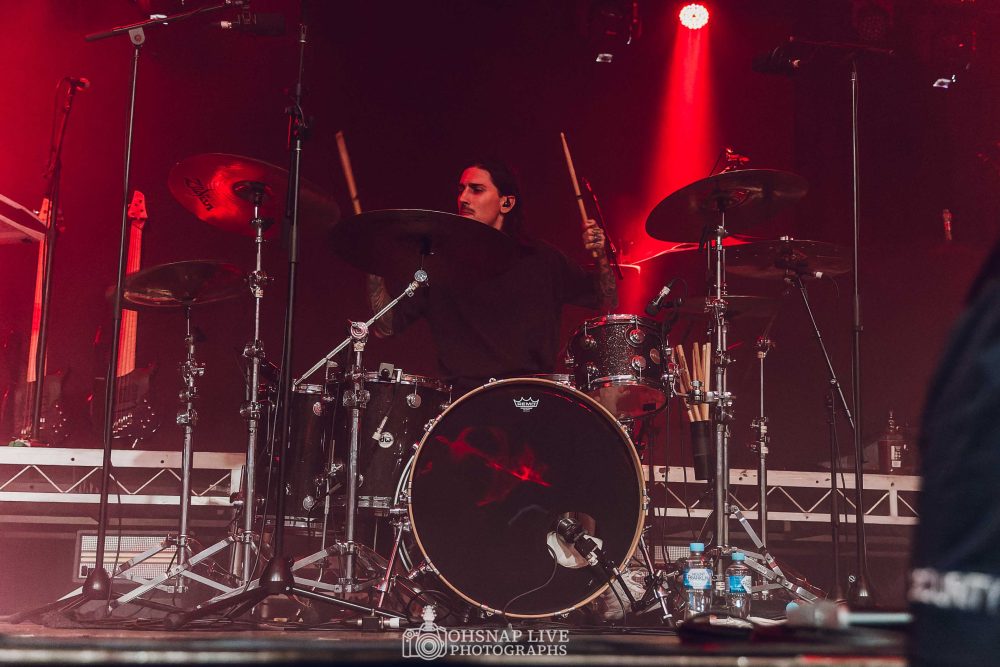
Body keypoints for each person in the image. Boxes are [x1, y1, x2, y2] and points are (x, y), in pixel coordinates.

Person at [365, 159, 617, 397]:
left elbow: (606, 301)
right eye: (461, 190)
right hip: (462, 402)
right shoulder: (438, 264)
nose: (463, 198)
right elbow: (386, 326)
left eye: (476, 190)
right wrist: (374, 262)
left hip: (532, 398)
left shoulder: (542, 259)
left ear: (506, 203)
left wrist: (600, 256)